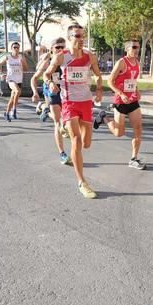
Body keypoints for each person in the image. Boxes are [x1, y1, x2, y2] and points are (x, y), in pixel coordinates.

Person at [43, 24, 103, 199]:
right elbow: (46, 74)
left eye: (82, 36)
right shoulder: (62, 57)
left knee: (86, 143)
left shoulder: (89, 56)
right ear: (69, 38)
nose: (81, 39)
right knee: (76, 141)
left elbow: (98, 75)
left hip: (86, 102)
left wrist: (99, 90)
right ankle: (82, 182)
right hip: (69, 102)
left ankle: (63, 125)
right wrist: (51, 83)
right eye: (77, 36)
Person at [93, 39, 146, 170]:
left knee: (138, 129)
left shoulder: (137, 63)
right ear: (127, 49)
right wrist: (121, 94)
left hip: (133, 100)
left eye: (138, 47)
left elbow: (133, 80)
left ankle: (134, 158)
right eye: (134, 47)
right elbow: (110, 81)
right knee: (119, 133)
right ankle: (104, 118)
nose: (136, 49)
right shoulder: (121, 62)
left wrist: (137, 91)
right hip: (120, 101)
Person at [32, 38, 70, 165]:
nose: (60, 50)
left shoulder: (67, 61)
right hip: (51, 92)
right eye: (57, 47)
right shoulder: (47, 63)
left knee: (66, 120)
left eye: (62, 47)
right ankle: (62, 153)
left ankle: (43, 108)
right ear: (52, 49)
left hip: (65, 92)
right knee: (57, 123)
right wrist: (35, 92)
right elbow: (34, 78)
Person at [0, 42, 28, 121]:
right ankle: (14, 110)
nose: (16, 49)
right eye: (14, 47)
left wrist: (22, 64)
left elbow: (26, 68)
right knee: (17, 91)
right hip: (10, 79)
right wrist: (1, 73)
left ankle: (7, 112)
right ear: (11, 49)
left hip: (19, 79)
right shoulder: (8, 57)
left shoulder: (21, 57)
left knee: (13, 96)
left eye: (17, 47)